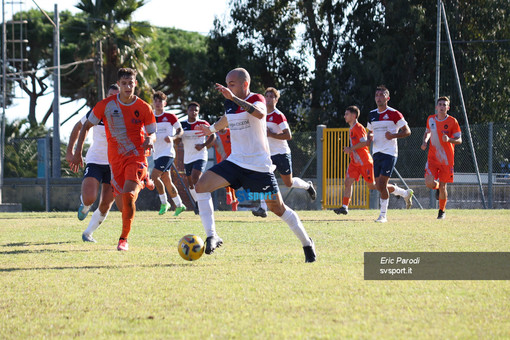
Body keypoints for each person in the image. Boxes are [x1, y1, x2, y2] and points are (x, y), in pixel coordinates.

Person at [194, 67, 316, 262]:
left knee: (278, 208)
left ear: (245, 84)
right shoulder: (230, 102)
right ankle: (212, 235)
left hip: (259, 167)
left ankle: (307, 243)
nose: (228, 87)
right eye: (227, 84)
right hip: (235, 162)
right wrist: (210, 129)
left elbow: (259, 114)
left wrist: (233, 97)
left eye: (231, 84)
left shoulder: (256, 98)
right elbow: (227, 119)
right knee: (200, 186)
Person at [70, 68, 156, 251]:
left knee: (127, 198)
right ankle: (143, 180)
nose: (127, 87)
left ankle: (122, 239)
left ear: (135, 84)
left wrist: (150, 139)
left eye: (130, 83)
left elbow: (152, 132)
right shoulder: (104, 106)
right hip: (112, 161)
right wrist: (77, 152)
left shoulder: (143, 107)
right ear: (118, 85)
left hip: (136, 157)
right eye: (123, 84)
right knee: (106, 201)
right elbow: (84, 126)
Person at [252, 87, 316, 218]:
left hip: (281, 153)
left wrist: (272, 134)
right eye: (267, 96)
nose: (268, 99)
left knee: (289, 183)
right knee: (263, 178)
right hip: (267, 154)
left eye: (271, 97)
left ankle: (307, 186)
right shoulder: (261, 115)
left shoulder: (278, 115)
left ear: (276, 100)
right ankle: (263, 209)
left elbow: (288, 135)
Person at [66, 84, 119, 242]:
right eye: (110, 95)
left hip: (116, 164)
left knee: (106, 204)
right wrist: (73, 152)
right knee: (90, 197)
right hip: (95, 160)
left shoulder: (127, 114)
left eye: (116, 96)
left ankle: (88, 233)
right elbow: (79, 127)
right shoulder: (98, 110)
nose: (112, 99)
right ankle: (85, 205)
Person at [367, 85, 414, 223]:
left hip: (389, 153)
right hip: (376, 152)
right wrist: (370, 136)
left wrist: (393, 135)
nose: (379, 98)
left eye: (382, 95)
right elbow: (369, 131)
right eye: (377, 95)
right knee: (378, 185)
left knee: (381, 184)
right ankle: (404, 193)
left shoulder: (394, 113)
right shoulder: (372, 114)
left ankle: (383, 216)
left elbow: (407, 131)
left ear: (387, 98)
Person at [421, 96, 462, 219]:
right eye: (440, 104)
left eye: (445, 105)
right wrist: (424, 141)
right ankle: (437, 186)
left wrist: (449, 139)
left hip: (446, 160)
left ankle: (442, 211)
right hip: (432, 158)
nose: (442, 107)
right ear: (436, 107)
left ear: (448, 108)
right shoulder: (431, 119)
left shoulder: (452, 121)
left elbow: (459, 140)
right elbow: (427, 132)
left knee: (444, 186)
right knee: (429, 183)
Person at [333, 105, 376, 215]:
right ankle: (344, 207)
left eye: (347, 114)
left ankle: (399, 191)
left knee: (372, 186)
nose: (344, 116)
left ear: (354, 115)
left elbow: (365, 142)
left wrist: (351, 149)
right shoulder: (351, 128)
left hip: (364, 161)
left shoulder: (358, 127)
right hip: (355, 162)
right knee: (348, 182)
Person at [150, 91, 186, 216]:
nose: (158, 103)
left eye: (160, 101)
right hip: (156, 153)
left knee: (154, 176)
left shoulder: (170, 116)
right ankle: (180, 205)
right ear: (153, 103)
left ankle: (164, 203)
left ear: (165, 103)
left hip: (167, 153)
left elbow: (180, 131)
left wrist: (173, 138)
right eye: (156, 101)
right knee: (167, 181)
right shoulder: (150, 117)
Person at [175, 102, 215, 211]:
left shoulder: (202, 123)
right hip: (187, 157)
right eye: (191, 110)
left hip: (200, 156)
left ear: (198, 112)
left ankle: (203, 203)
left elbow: (213, 135)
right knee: (191, 183)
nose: (194, 112)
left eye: (196, 110)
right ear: (187, 111)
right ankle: (198, 202)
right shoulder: (182, 125)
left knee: (195, 177)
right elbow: (177, 140)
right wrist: (177, 137)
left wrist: (203, 145)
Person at [213, 127, 239, 211]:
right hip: (220, 159)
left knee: (230, 179)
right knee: (224, 178)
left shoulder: (231, 132)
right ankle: (234, 199)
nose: (221, 129)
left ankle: (229, 194)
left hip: (232, 159)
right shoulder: (215, 135)